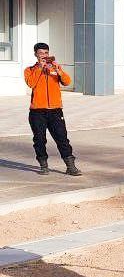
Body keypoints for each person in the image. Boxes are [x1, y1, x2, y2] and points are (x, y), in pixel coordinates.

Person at [24, 42, 81, 176]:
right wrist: (40, 68)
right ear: (36, 55)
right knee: (39, 139)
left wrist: (58, 70)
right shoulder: (30, 69)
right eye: (41, 53)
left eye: (46, 53)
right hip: (37, 111)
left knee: (62, 138)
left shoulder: (55, 68)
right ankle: (44, 165)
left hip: (55, 111)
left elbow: (67, 82)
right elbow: (31, 83)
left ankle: (70, 166)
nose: (44, 56)